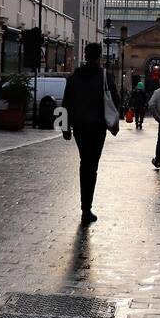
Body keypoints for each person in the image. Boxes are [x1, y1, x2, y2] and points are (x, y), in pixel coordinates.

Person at [62, 42, 121, 223]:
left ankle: (84, 206)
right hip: (97, 127)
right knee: (92, 166)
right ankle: (86, 208)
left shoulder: (73, 78)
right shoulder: (105, 76)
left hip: (79, 127)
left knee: (84, 163)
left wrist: (65, 128)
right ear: (98, 57)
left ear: (85, 55)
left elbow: (66, 104)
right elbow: (116, 100)